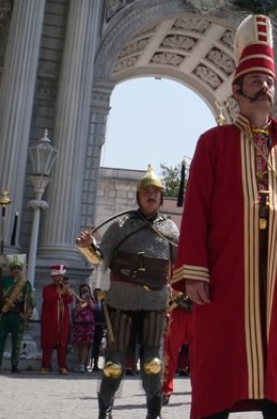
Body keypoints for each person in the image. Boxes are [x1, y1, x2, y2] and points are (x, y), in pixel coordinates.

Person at [176, 1, 277, 419]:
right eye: (255, 80)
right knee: (219, 368)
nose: (264, 87)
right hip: (227, 275)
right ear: (237, 89)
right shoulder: (213, 143)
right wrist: (194, 270)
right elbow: (195, 212)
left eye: (269, 81)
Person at [78, 165, 179, 419]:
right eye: (146, 190)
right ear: (138, 195)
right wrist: (87, 247)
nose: (151, 195)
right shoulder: (120, 225)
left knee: (153, 364)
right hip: (121, 302)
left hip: (155, 302)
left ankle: (154, 414)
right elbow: (100, 259)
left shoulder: (170, 229)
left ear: (161, 195)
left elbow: (181, 265)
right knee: (113, 364)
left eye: (156, 191)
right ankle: (106, 411)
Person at [0, 255, 34, 373]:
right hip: (4, 314)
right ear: (10, 269)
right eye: (14, 268)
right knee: (0, 340)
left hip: (18, 315)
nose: (16, 270)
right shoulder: (3, 280)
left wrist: (27, 316)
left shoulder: (25, 283)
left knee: (17, 342)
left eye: (18, 268)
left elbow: (31, 301)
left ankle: (14, 365)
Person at [39, 264, 75, 374]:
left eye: (61, 277)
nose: (59, 279)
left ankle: (62, 366)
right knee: (48, 342)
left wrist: (68, 293)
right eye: (57, 277)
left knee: (62, 343)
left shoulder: (65, 288)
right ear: (53, 277)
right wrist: (62, 292)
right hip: (50, 320)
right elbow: (49, 298)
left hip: (62, 320)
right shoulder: (47, 288)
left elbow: (69, 301)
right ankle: (45, 366)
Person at [162, 284, 194, 405]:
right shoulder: (170, 264)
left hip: (197, 311)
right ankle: (165, 390)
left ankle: (199, 391)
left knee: (198, 358)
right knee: (169, 353)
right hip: (177, 310)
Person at [73, 283, 97, 374]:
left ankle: (83, 365)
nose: (85, 292)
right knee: (79, 345)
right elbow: (77, 310)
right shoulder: (78, 300)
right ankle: (79, 364)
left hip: (89, 324)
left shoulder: (92, 300)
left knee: (85, 345)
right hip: (79, 324)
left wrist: (88, 300)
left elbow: (94, 309)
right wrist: (82, 301)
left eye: (86, 290)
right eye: (83, 291)